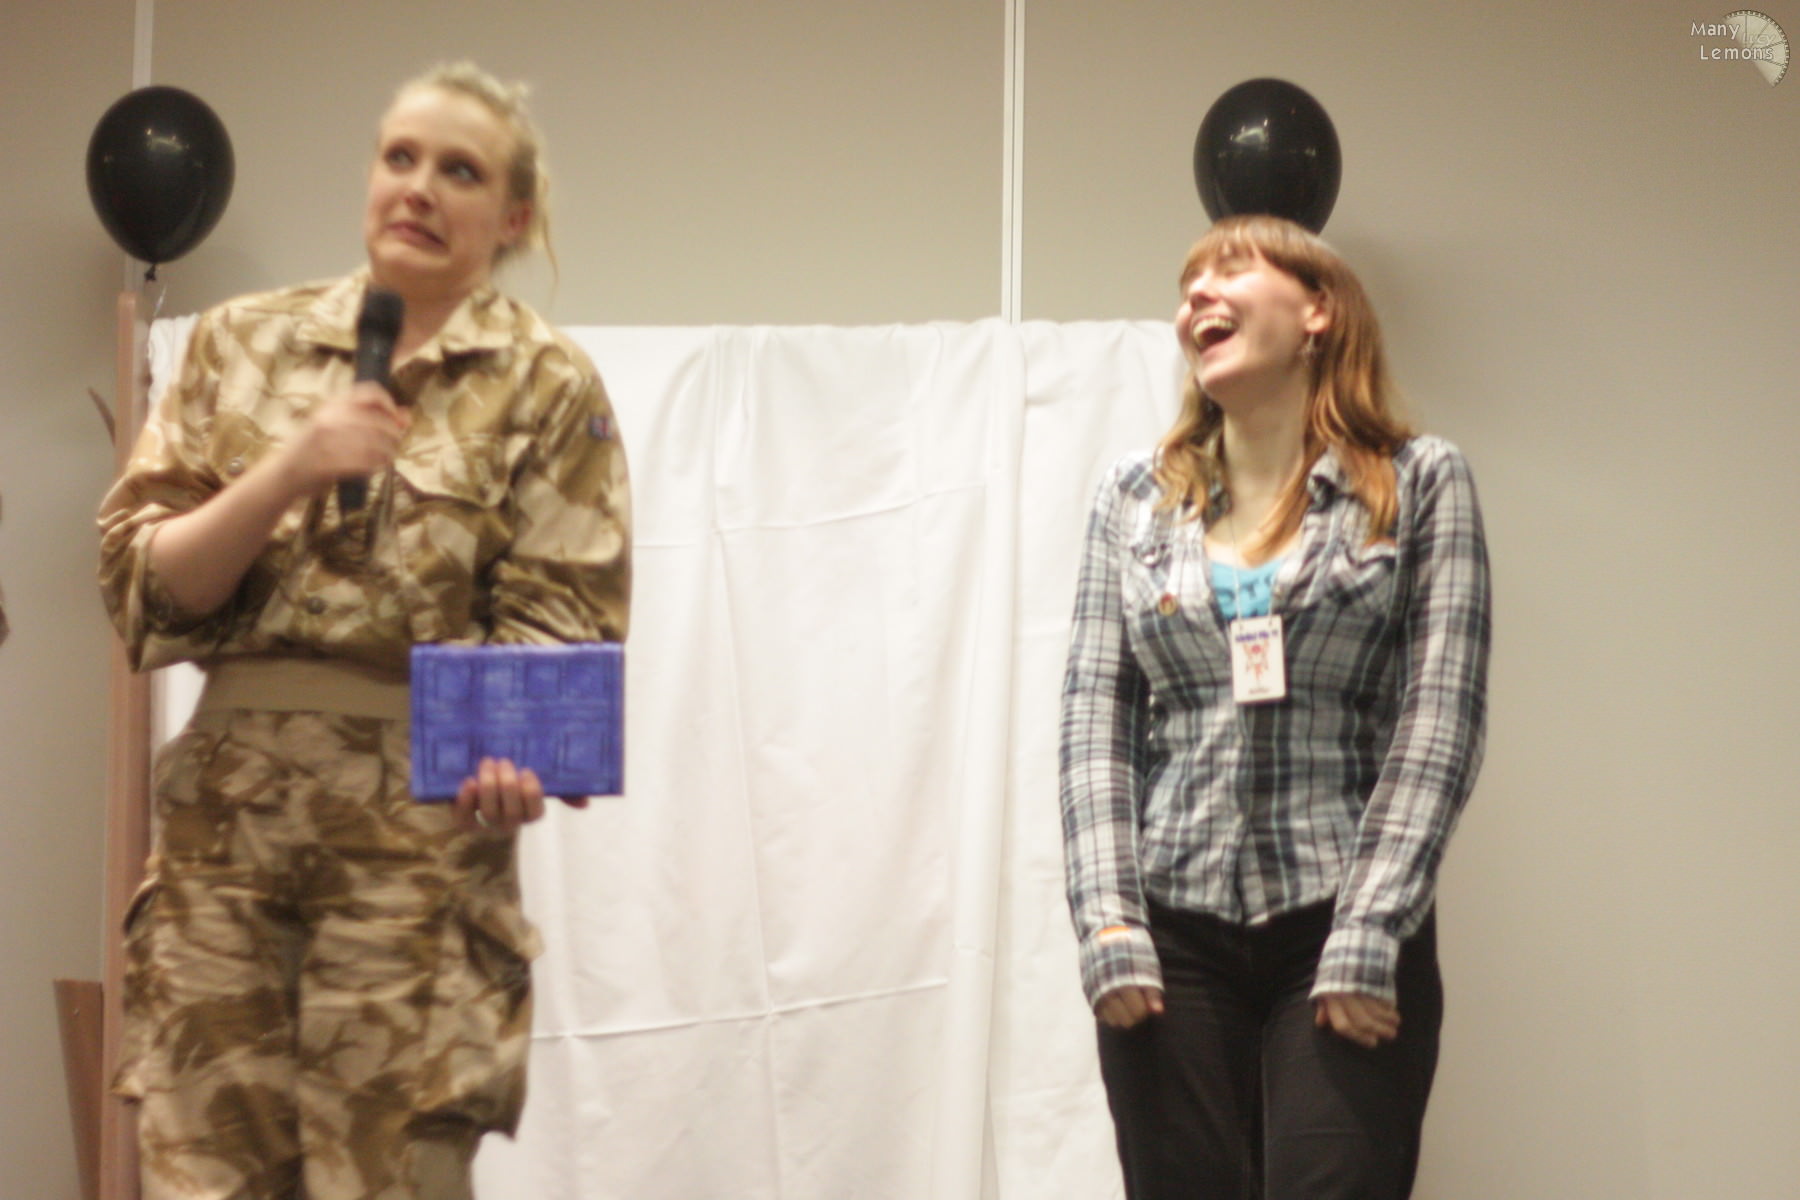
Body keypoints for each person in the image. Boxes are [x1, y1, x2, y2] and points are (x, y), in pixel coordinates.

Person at [97, 62, 629, 1200]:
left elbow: (559, 629)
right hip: (222, 852)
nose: (420, 188)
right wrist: (290, 467)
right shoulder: (241, 342)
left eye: (460, 171)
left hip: (417, 862)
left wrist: (516, 763)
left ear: (512, 216)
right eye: (400, 158)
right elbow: (144, 590)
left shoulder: (546, 384)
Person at [1059, 214, 1489, 1199]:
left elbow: (1441, 721)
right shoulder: (1132, 498)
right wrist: (1108, 923)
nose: (1196, 298)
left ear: (1318, 311)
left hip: (1341, 919)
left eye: (1231, 270)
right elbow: (1094, 721)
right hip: (1170, 933)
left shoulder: (1419, 481)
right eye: (1188, 286)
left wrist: (1372, 925)